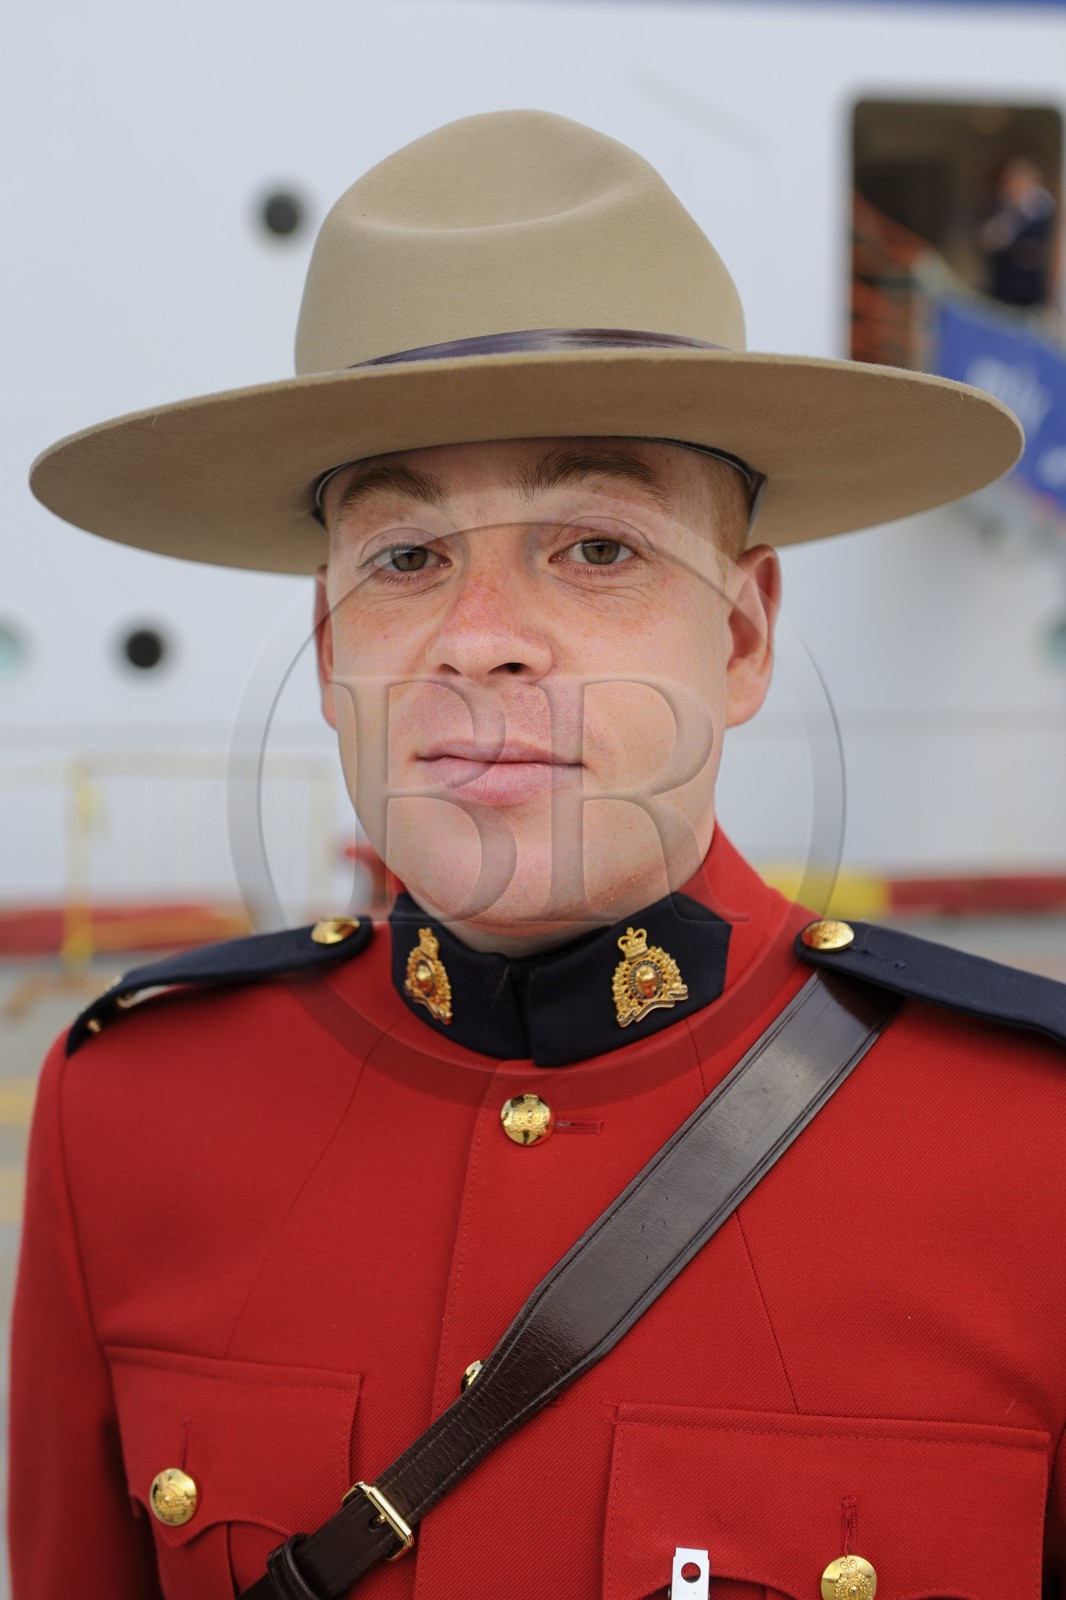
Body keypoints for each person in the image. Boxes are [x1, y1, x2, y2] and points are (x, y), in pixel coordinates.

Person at [12, 110, 1066, 1600]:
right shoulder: (131, 1120)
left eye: (595, 546)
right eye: (404, 558)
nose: (480, 640)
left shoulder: (1033, 1153)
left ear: (743, 635)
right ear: (328, 652)